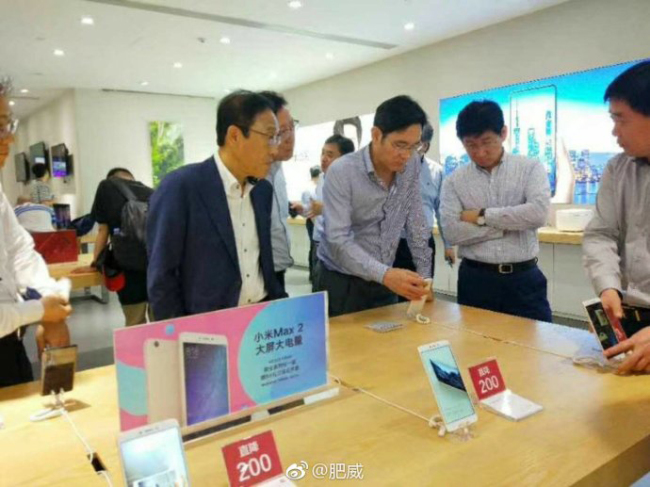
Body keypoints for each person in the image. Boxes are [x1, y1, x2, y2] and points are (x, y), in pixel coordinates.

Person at [147, 90, 286, 320]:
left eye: (277, 138)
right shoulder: (181, 187)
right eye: (269, 136)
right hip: (207, 328)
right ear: (234, 136)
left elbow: (263, 262)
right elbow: (162, 277)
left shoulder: (262, 190)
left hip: (259, 321)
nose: (275, 149)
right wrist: (180, 335)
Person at [315, 95, 431, 317]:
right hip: (342, 281)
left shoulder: (411, 163)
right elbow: (338, 240)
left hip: (385, 281)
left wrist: (424, 277)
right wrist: (386, 274)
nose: (406, 155)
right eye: (399, 145)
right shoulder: (342, 171)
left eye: (414, 146)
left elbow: (415, 220)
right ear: (376, 135)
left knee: (387, 345)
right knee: (344, 349)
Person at [440, 100, 552, 322]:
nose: (480, 152)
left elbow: (538, 214)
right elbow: (452, 232)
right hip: (476, 279)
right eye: (471, 145)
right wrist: (507, 226)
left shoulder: (530, 168)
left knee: (534, 348)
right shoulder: (454, 181)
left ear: (503, 133)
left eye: (487, 142)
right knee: (476, 348)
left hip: (524, 278)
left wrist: (481, 216)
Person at [0, 77, 72, 387]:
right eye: (1, 126)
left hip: (9, 349)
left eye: (8, 125)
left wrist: (48, 304)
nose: (9, 139)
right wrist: (39, 310)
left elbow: (20, 252)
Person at [582, 61, 650, 374]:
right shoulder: (617, 168)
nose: (614, 130)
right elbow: (601, 233)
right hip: (628, 316)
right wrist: (608, 286)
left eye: (620, 119)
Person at [393, 123, 455, 301]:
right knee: (395, 297)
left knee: (422, 294)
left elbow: (441, 210)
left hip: (423, 243)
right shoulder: (392, 168)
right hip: (396, 243)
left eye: (414, 144)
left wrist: (448, 245)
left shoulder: (436, 172)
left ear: (425, 146)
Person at [89, 167, 154, 326]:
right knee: (159, 322)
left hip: (128, 267)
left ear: (112, 179)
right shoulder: (151, 192)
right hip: (156, 265)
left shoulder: (106, 187)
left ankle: (136, 351)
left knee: (134, 321)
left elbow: (103, 230)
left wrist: (97, 261)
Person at [259, 91, 298, 294]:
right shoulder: (252, 178)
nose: (291, 137)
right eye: (283, 131)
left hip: (278, 270)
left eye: (292, 126)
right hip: (258, 277)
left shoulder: (278, 172)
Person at [308, 134, 355, 290]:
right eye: (323, 153)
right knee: (318, 296)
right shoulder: (322, 178)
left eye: (330, 154)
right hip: (319, 244)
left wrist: (324, 209)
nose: (323, 158)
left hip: (339, 254)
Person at [301, 165, 321, 282]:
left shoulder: (308, 187)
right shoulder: (314, 188)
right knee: (315, 247)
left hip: (312, 220)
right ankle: (314, 274)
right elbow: (311, 210)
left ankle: (312, 274)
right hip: (314, 220)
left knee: (313, 246)